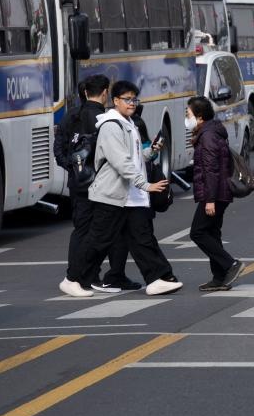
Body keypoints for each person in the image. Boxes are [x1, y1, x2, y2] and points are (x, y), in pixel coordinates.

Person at [59, 81, 183, 297]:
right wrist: (146, 185)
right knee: (98, 240)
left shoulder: (129, 124)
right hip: (112, 195)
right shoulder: (111, 126)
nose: (132, 103)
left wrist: (151, 152)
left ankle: (158, 278)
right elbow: (120, 162)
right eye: (127, 99)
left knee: (142, 238)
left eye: (134, 99)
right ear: (114, 100)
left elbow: (134, 158)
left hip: (130, 196)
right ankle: (72, 279)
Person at [57, 75, 141, 293]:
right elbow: (112, 155)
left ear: (85, 92)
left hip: (78, 183)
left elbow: (59, 150)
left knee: (82, 231)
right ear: (105, 93)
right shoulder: (105, 120)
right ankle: (85, 276)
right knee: (104, 233)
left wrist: (74, 169)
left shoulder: (70, 116)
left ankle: (80, 276)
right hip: (100, 185)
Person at [187, 96, 244, 292]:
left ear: (199, 116)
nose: (187, 118)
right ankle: (220, 278)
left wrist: (209, 200)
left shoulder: (208, 135)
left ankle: (230, 264)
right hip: (220, 192)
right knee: (212, 233)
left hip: (215, 193)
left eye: (189, 114)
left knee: (198, 232)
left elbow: (211, 170)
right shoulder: (211, 131)